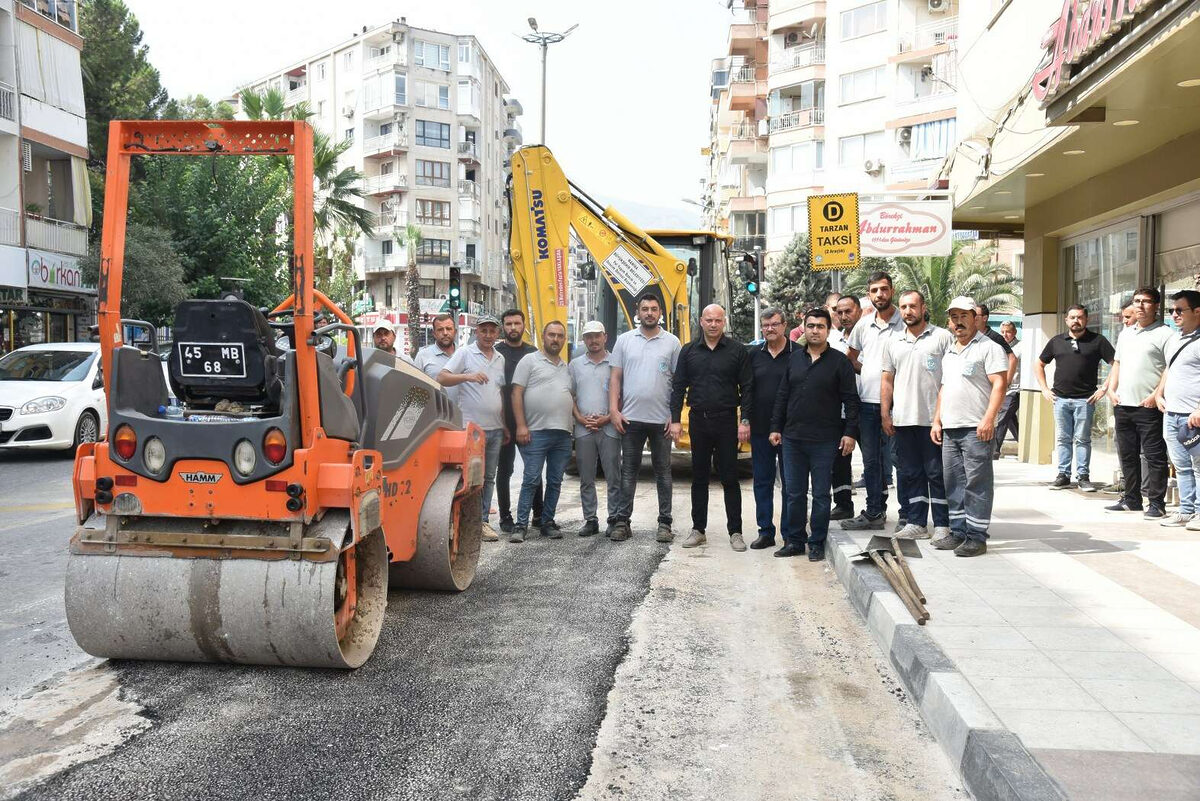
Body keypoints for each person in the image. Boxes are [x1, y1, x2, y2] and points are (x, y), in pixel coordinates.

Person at [770, 308, 859, 562]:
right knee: (794, 493)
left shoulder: (839, 362)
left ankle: (817, 542)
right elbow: (782, 396)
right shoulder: (794, 360)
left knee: (821, 494)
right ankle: (795, 541)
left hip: (825, 440)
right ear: (804, 328)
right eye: (811, 326)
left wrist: (849, 433)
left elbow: (851, 401)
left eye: (820, 326)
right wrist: (775, 428)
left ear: (828, 330)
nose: (815, 331)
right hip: (793, 439)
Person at [670, 304, 753, 551]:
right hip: (699, 420)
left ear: (724, 322)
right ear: (702, 322)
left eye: (718, 320)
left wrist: (744, 420)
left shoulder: (737, 351)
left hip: (727, 420)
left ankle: (735, 532)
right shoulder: (688, 351)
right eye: (709, 320)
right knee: (699, 476)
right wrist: (675, 420)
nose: (713, 324)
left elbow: (747, 387)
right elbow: (678, 387)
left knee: (729, 477)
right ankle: (698, 530)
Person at [931, 297, 1009, 557]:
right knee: (953, 481)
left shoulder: (989, 348)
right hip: (950, 427)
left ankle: (976, 536)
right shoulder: (950, 351)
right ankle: (958, 531)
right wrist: (937, 419)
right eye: (954, 316)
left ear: (976, 318)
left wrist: (989, 419)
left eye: (964, 315)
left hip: (977, 428)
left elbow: (1000, 385)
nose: (958, 321)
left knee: (977, 482)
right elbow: (944, 388)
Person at [881, 290, 953, 540]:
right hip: (902, 420)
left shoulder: (942, 337)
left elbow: (950, 379)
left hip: (934, 421)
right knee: (911, 473)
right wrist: (885, 414)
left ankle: (943, 524)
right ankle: (917, 522)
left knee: (936, 473)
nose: (907, 311)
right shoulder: (893, 342)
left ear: (923, 308)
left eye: (912, 306)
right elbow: (887, 379)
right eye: (903, 307)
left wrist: (941, 417)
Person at [609, 293, 681, 543]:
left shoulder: (672, 342)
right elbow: (615, 378)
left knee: (664, 473)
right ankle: (622, 522)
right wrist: (614, 411)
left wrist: (674, 417)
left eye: (653, 309)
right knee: (628, 472)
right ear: (637, 313)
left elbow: (678, 383)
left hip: (661, 420)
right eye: (645, 309)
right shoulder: (624, 340)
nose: (649, 313)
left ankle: (664, 524)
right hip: (630, 420)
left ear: (660, 312)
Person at [843, 272, 905, 531]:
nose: (880, 294)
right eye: (874, 290)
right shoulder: (863, 325)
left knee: (900, 460)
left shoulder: (905, 321)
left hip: (899, 404)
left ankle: (909, 514)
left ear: (892, 291)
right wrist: (869, 374)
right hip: (867, 403)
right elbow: (850, 356)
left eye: (884, 289)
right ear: (868, 294)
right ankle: (874, 512)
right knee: (871, 461)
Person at [1105, 287, 1173, 518]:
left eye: (1146, 302)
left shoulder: (1166, 334)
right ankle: (1132, 499)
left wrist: (1156, 394)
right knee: (1127, 455)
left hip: (1148, 406)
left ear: (1156, 306)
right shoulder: (1126, 333)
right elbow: (1117, 363)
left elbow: (1170, 368)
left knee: (1154, 456)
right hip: (1123, 404)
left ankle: (1156, 503)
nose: (1140, 306)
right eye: (1136, 301)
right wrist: (1111, 390)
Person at [438, 315, 507, 542]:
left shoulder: (500, 358)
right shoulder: (465, 353)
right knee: (469, 477)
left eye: (492, 331)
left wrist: (505, 425)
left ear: (498, 333)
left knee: (488, 478)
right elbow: (442, 377)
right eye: (484, 330)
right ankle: (464, 522)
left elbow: (499, 394)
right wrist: (468, 376)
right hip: (472, 430)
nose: (488, 335)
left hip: (496, 429)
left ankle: (483, 521)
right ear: (476, 331)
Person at [1034, 305, 1115, 492]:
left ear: (1086, 319)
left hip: (1085, 400)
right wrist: (1044, 389)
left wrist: (1104, 388)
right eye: (1072, 317)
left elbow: (1115, 363)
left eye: (1079, 317)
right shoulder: (1056, 341)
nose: (1075, 321)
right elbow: (1039, 364)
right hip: (1060, 400)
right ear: (1066, 320)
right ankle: (1063, 475)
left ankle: (1083, 477)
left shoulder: (1098, 341)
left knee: (1082, 439)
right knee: (1063, 438)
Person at [509, 320, 575, 542]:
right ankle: (520, 526)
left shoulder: (566, 367)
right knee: (531, 479)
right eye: (551, 335)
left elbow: (570, 397)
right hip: (535, 432)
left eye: (559, 336)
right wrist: (521, 425)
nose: (555, 339)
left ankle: (547, 521)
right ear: (543, 337)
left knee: (555, 481)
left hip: (563, 434)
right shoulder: (529, 361)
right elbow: (516, 393)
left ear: (563, 340)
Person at [748, 308, 796, 549]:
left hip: (791, 431)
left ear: (784, 325)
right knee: (762, 482)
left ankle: (790, 533)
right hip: (760, 429)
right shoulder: (754, 355)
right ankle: (765, 531)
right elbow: (746, 391)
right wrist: (744, 420)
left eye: (774, 324)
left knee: (790, 484)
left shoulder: (798, 354)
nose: (769, 329)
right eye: (765, 325)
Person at [570, 321, 622, 538]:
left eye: (597, 336)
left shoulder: (616, 363)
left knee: (613, 476)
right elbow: (569, 396)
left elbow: (623, 396)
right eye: (588, 336)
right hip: (584, 429)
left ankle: (614, 518)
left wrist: (607, 418)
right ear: (584, 340)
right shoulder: (574, 365)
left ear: (605, 337)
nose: (593, 340)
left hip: (609, 427)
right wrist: (580, 418)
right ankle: (591, 519)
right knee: (586, 477)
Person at [1153, 290, 1200, 529]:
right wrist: (1159, 393)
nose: (1174, 314)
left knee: (1199, 466)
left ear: (1197, 311)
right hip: (1171, 413)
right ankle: (1186, 510)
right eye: (1172, 310)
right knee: (1181, 466)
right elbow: (1168, 369)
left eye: (1179, 310)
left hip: (1193, 416)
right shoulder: (1175, 338)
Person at [495, 309, 542, 533]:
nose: (513, 328)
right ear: (503, 327)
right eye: (509, 324)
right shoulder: (495, 353)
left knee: (533, 471)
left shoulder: (533, 353)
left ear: (524, 326)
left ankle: (539, 514)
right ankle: (505, 517)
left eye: (517, 323)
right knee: (504, 471)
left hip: (528, 421)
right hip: (502, 423)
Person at [831, 295, 864, 519]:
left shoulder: (870, 336)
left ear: (859, 311)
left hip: (870, 406)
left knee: (874, 460)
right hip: (840, 411)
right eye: (839, 312)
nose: (844, 316)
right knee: (840, 459)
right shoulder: (832, 339)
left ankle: (876, 508)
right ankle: (843, 504)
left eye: (848, 311)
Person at [991, 321, 1021, 459]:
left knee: (1002, 417)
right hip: (1002, 388)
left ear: (1014, 332)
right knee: (1009, 419)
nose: (1005, 334)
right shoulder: (999, 347)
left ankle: (994, 450)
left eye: (1008, 332)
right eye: (1002, 332)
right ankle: (1022, 442)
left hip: (1015, 389)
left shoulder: (1020, 347)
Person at [415, 314, 459, 403]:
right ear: (434, 334)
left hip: (462, 414)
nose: (445, 333)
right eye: (440, 329)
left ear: (455, 332)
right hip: (434, 415)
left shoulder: (464, 354)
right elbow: (415, 389)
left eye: (449, 329)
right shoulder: (423, 356)